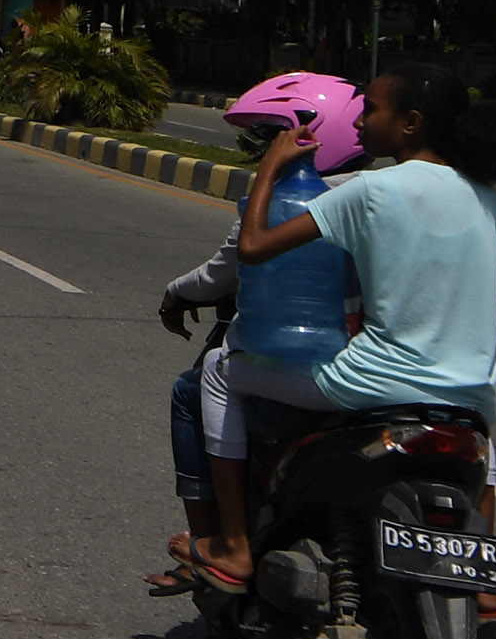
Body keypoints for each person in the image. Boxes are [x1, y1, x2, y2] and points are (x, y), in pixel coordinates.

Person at [179, 64, 496, 601]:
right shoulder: (487, 200)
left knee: (219, 373)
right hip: (468, 400)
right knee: (479, 441)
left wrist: (270, 166)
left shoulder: (369, 190)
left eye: (372, 110)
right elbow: (495, 320)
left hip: (369, 390)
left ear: (410, 123)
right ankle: (484, 589)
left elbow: (253, 248)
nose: (360, 121)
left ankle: (235, 544)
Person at [151, 73, 362, 588]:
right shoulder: (379, 194)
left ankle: (216, 546)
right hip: (377, 366)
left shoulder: (288, 201)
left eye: (277, 133)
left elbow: (223, 270)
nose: (269, 144)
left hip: (311, 368)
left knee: (193, 387)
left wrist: (176, 293)